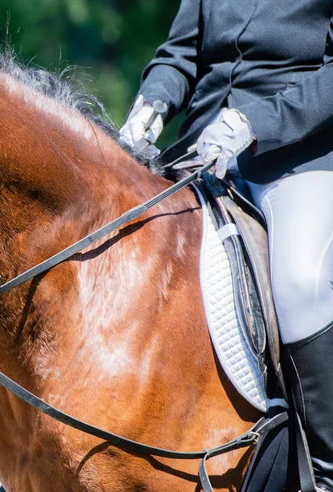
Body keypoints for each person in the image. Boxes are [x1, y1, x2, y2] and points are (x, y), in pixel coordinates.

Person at [120, 1, 333, 490]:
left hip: (296, 153)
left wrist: (255, 122)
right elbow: (179, 55)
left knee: (301, 284)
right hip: (201, 150)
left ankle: (324, 472)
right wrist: (149, 109)